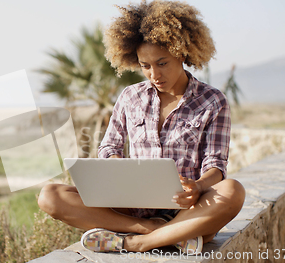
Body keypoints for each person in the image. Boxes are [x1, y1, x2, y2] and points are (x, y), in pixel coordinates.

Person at [37, 0, 245, 255]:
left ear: (181, 53)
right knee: (50, 195)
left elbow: (215, 165)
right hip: (132, 205)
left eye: (162, 62)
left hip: (188, 209)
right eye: (145, 66)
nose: (154, 74)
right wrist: (114, 165)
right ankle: (153, 230)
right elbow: (109, 146)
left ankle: (136, 242)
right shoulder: (130, 97)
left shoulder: (212, 101)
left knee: (233, 191)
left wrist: (198, 187)